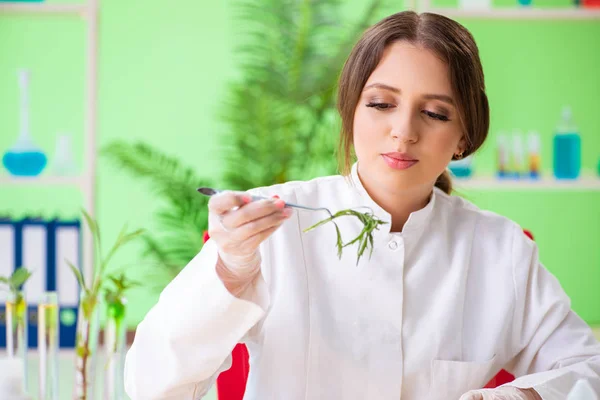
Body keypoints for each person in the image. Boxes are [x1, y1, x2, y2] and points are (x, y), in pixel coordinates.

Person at [124, 10, 600, 400]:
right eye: (380, 104)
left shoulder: (501, 250)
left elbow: (587, 371)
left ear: (463, 138)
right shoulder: (278, 228)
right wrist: (229, 273)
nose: (404, 131)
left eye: (434, 113)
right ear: (351, 112)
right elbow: (152, 386)